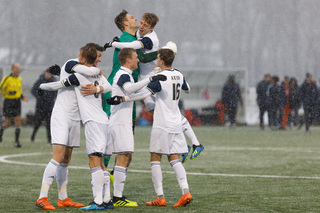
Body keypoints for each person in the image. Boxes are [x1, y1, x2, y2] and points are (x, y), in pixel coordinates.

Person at [106, 16, 204, 163]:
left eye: (145, 25)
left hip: (152, 78)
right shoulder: (140, 34)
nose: (141, 26)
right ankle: (186, 146)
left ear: (151, 28)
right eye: (141, 22)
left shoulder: (150, 39)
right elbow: (187, 87)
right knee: (162, 112)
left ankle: (193, 144)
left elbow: (141, 56)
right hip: (147, 79)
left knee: (166, 112)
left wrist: (114, 43)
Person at [35, 44, 103, 210]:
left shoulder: (87, 69)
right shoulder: (71, 64)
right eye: (98, 56)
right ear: (87, 56)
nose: (99, 60)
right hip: (62, 115)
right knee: (58, 155)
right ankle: (42, 197)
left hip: (75, 117)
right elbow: (92, 72)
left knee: (66, 158)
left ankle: (63, 197)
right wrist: (97, 70)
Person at [107, 48, 166, 207]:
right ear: (128, 60)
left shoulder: (127, 75)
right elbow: (131, 90)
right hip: (119, 122)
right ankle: (117, 198)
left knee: (126, 157)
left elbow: (135, 95)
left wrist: (150, 88)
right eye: (135, 57)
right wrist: (150, 79)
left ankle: (116, 196)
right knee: (123, 157)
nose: (138, 60)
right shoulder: (123, 74)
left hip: (123, 122)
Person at [145, 48, 192, 207]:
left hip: (162, 124)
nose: (157, 59)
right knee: (174, 158)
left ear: (162, 61)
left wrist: (152, 77)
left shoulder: (160, 77)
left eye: (158, 57)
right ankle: (185, 192)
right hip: (176, 123)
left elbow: (147, 92)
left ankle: (160, 196)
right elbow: (186, 87)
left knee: (155, 157)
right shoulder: (178, 74)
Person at [0, 63, 27, 148]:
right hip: (8, 102)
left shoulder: (19, 79)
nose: (18, 70)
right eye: (16, 68)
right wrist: (8, 92)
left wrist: (22, 97)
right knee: (7, 123)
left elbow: (19, 90)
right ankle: (1, 132)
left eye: (19, 68)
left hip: (17, 102)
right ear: (12, 69)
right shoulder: (6, 79)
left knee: (18, 121)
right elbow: (1, 89)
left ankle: (16, 142)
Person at [30, 67, 57, 144]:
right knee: (37, 122)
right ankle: (33, 135)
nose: (47, 75)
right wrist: (39, 97)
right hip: (40, 106)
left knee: (49, 123)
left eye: (49, 74)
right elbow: (33, 90)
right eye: (46, 73)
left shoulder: (54, 81)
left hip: (49, 106)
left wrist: (54, 96)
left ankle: (49, 140)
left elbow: (56, 91)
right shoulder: (40, 81)